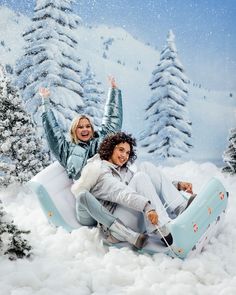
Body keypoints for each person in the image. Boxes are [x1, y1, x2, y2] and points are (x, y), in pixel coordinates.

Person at [71, 132, 196, 249]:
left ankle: (180, 206)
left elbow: (147, 186)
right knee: (140, 177)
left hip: (133, 217)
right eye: (121, 150)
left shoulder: (123, 171)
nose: (124, 156)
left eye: (127, 153)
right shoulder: (101, 172)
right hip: (117, 228)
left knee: (145, 168)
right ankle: (164, 227)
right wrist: (147, 207)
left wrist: (177, 185)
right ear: (110, 149)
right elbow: (122, 193)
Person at [39, 76, 122, 180]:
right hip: (86, 190)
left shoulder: (102, 141)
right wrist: (45, 102)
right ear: (74, 131)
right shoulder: (66, 150)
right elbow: (52, 132)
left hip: (106, 183)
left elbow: (112, 120)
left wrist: (114, 91)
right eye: (80, 127)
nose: (85, 129)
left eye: (88, 126)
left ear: (92, 129)